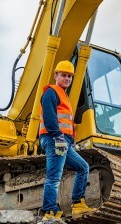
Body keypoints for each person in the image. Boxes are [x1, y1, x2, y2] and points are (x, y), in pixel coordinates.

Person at [39, 60, 96, 221]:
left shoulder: (64, 96)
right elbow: (50, 118)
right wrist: (58, 137)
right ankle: (49, 212)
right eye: (63, 75)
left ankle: (77, 204)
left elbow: (66, 123)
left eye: (70, 76)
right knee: (54, 176)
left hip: (63, 141)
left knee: (83, 167)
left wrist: (70, 141)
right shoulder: (51, 92)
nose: (67, 79)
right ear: (56, 75)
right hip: (54, 139)